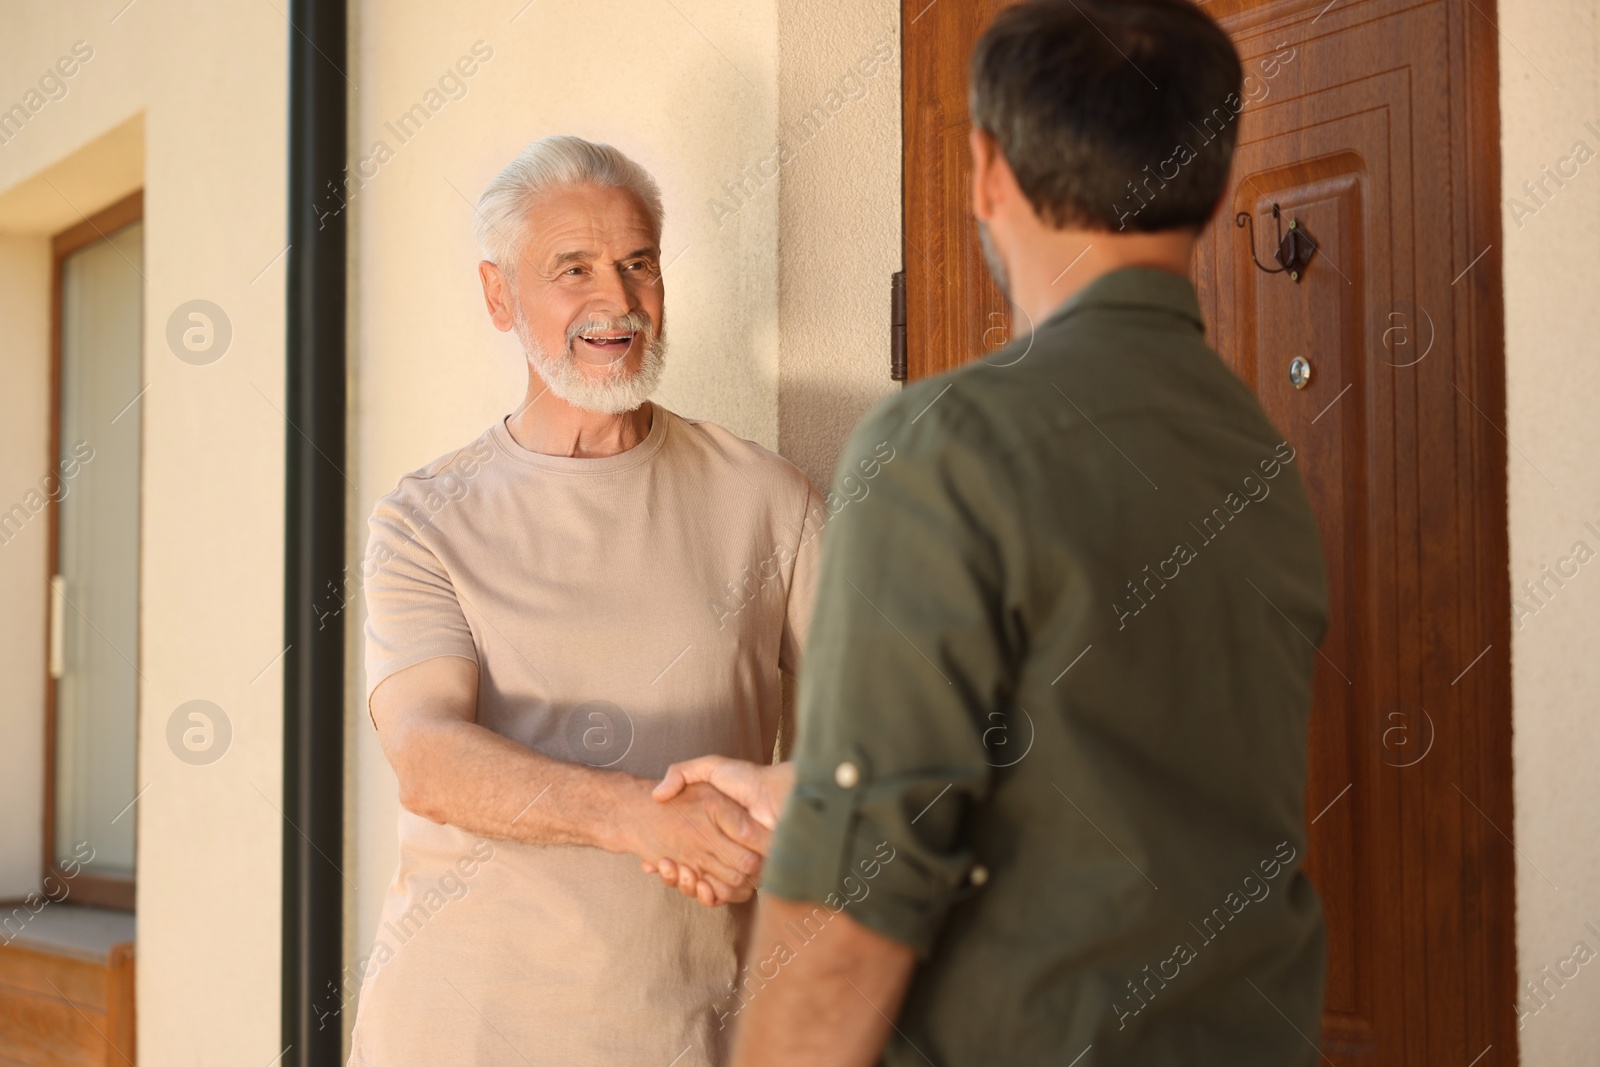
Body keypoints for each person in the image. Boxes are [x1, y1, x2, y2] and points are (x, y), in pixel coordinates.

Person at [651, 1, 1331, 1063]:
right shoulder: (1258, 461)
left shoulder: (946, 442)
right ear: (1212, 179)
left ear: (986, 171)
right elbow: (1104, 778)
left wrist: (845, 808)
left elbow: (854, 906)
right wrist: (818, 775)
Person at [346, 135, 824, 1067]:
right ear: (499, 296)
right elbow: (428, 758)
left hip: (693, 1035)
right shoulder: (423, 518)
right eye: (573, 269)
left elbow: (873, 746)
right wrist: (641, 815)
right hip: (457, 1032)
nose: (616, 299)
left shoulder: (772, 501)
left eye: (637, 263)